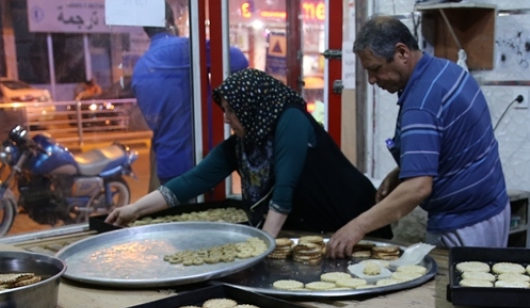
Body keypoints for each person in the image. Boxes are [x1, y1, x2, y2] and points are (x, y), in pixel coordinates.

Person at [108, 69, 382, 239]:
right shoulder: (243, 143)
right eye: (224, 109)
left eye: (231, 109)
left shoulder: (291, 121)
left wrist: (262, 247)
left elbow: (284, 189)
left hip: (350, 218)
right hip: (312, 228)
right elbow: (192, 181)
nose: (226, 118)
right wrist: (134, 210)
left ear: (251, 105)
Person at [327, 16, 510, 258]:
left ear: (402, 52)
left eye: (375, 69)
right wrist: (402, 171)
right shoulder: (445, 71)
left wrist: (356, 227)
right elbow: (448, 143)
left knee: (455, 293)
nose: (372, 80)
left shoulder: (420, 103)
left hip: (465, 225)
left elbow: (418, 187)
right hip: (492, 208)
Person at [132, 2, 249, 186]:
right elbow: (237, 59)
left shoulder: (140, 67)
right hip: (199, 165)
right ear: (171, 22)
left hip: (166, 167)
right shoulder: (182, 49)